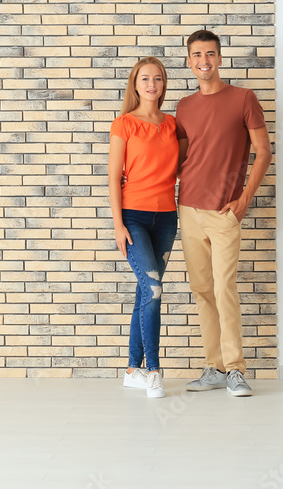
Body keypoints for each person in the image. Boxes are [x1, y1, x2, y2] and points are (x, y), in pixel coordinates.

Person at [177, 29, 272, 398]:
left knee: (224, 287)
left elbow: (263, 152)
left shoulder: (244, 99)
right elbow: (183, 157)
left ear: (220, 57)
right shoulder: (184, 106)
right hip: (188, 209)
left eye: (211, 54)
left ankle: (235, 369)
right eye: (197, 55)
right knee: (202, 290)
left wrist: (246, 197)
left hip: (225, 211)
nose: (204, 62)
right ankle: (214, 366)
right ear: (189, 61)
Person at [109, 57, 179, 399]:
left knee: (144, 291)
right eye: (145, 79)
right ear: (135, 85)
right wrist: (118, 224)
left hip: (166, 217)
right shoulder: (124, 124)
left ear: (164, 85)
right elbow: (112, 177)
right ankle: (153, 370)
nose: (152, 84)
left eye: (158, 79)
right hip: (134, 217)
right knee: (152, 290)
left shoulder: (172, 124)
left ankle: (132, 369)